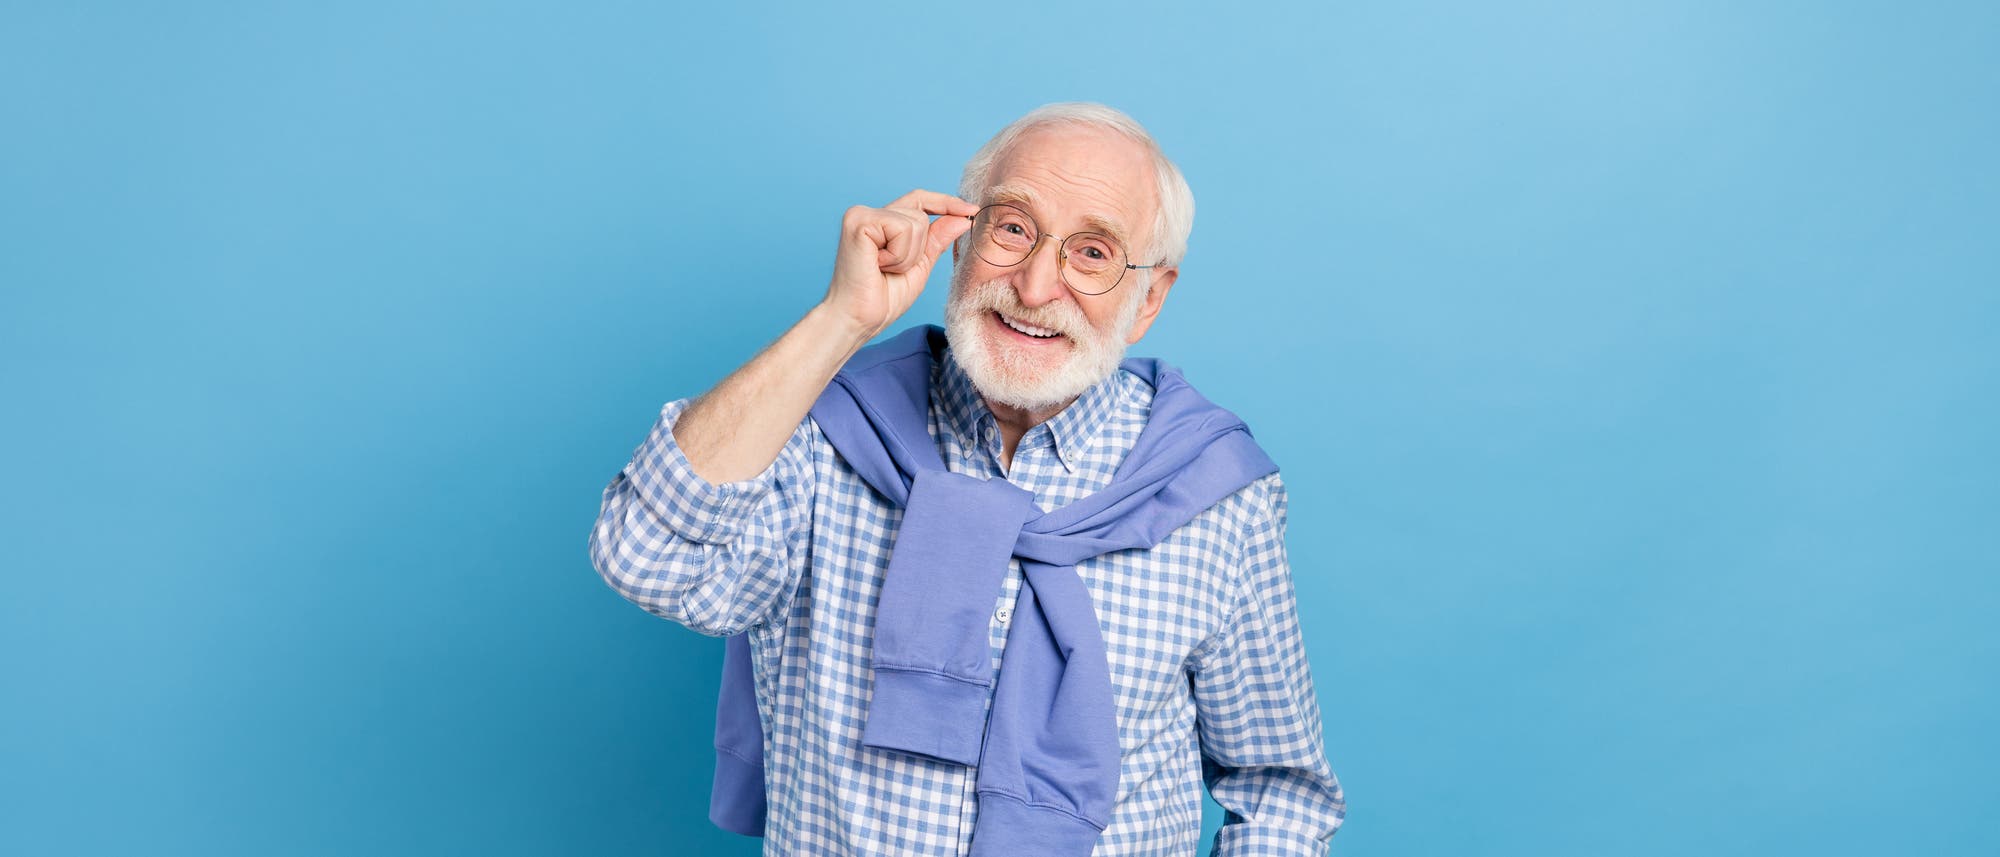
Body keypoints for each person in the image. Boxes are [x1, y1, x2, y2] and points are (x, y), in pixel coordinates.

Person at [589, 102, 1345, 856]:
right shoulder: (820, 437)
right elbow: (645, 557)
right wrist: (840, 320)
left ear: (1148, 297)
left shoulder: (1215, 492)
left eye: (1092, 252)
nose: (1037, 285)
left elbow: (1281, 792)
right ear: (960, 242)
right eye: (1013, 228)